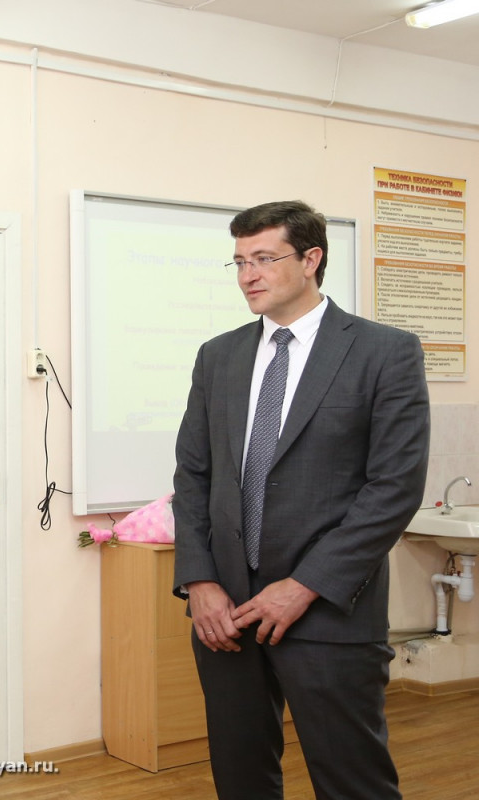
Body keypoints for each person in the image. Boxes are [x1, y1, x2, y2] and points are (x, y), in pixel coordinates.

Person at [172, 200, 429, 799]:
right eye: (240, 262)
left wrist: (304, 584)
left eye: (264, 259)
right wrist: (200, 581)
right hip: (227, 613)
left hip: (328, 611)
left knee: (352, 782)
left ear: (311, 259)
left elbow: (394, 487)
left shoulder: (384, 351)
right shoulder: (218, 356)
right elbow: (193, 476)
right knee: (241, 778)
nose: (248, 276)